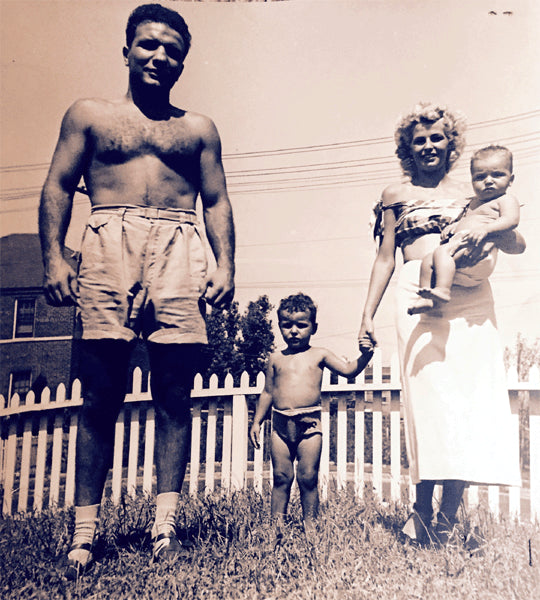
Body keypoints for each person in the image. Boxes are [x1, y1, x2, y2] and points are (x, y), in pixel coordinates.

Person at [39, 4, 235, 577]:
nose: (159, 56)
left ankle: (165, 526)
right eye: (148, 44)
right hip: (107, 241)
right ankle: (84, 534)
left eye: (172, 50)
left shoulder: (198, 128)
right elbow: (57, 185)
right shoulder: (90, 115)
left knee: (175, 394)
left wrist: (226, 264)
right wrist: (54, 256)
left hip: (179, 245)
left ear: (183, 62)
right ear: (126, 49)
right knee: (101, 394)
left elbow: (217, 199)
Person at [358, 103, 525, 547]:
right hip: (418, 291)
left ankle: (449, 514)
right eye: (420, 141)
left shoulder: (477, 191)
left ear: (451, 144)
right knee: (428, 403)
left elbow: (517, 242)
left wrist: (485, 231)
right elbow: (384, 258)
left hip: (469, 294)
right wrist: (366, 314)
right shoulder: (394, 195)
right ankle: (420, 509)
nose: (429, 146)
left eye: (437, 138)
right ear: (406, 149)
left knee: (466, 403)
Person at [250, 293, 373, 534]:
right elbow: (267, 392)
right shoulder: (275, 358)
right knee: (281, 477)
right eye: (287, 325)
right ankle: (277, 529)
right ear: (279, 326)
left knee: (308, 478)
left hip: (309, 426)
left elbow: (348, 371)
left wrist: (366, 354)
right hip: (280, 426)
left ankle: (311, 528)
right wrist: (256, 422)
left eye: (301, 325)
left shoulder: (320, 354)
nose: (293, 331)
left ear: (313, 327)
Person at [408, 145, 519, 314]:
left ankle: (443, 290)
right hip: (463, 247)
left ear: (510, 180)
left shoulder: (505, 199)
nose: (488, 181)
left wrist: (487, 230)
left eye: (497, 175)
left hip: (479, 251)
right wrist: (453, 227)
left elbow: (511, 220)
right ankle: (427, 298)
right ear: (472, 181)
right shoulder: (473, 203)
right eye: (480, 177)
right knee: (428, 260)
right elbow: (467, 221)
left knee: (440, 254)